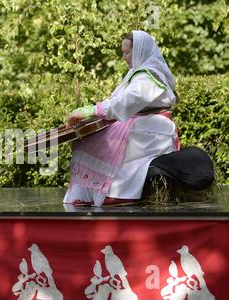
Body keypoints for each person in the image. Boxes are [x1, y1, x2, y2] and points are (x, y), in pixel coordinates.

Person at [63, 30, 179, 207]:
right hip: (144, 123)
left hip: (154, 128)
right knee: (87, 138)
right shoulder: (138, 73)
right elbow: (117, 101)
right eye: (123, 52)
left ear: (140, 51)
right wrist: (91, 112)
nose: (124, 57)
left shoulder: (149, 76)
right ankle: (92, 192)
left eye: (127, 52)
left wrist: (91, 111)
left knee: (99, 139)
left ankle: (117, 193)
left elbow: (127, 102)